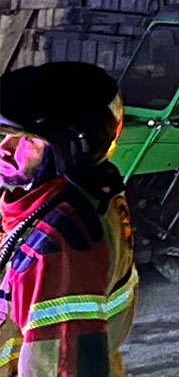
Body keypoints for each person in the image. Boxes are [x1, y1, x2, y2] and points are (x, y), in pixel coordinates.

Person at [0, 62, 139, 377]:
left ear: (73, 146)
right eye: (3, 135)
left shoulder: (59, 246)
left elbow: (61, 366)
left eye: (28, 140)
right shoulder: (51, 197)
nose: (5, 150)